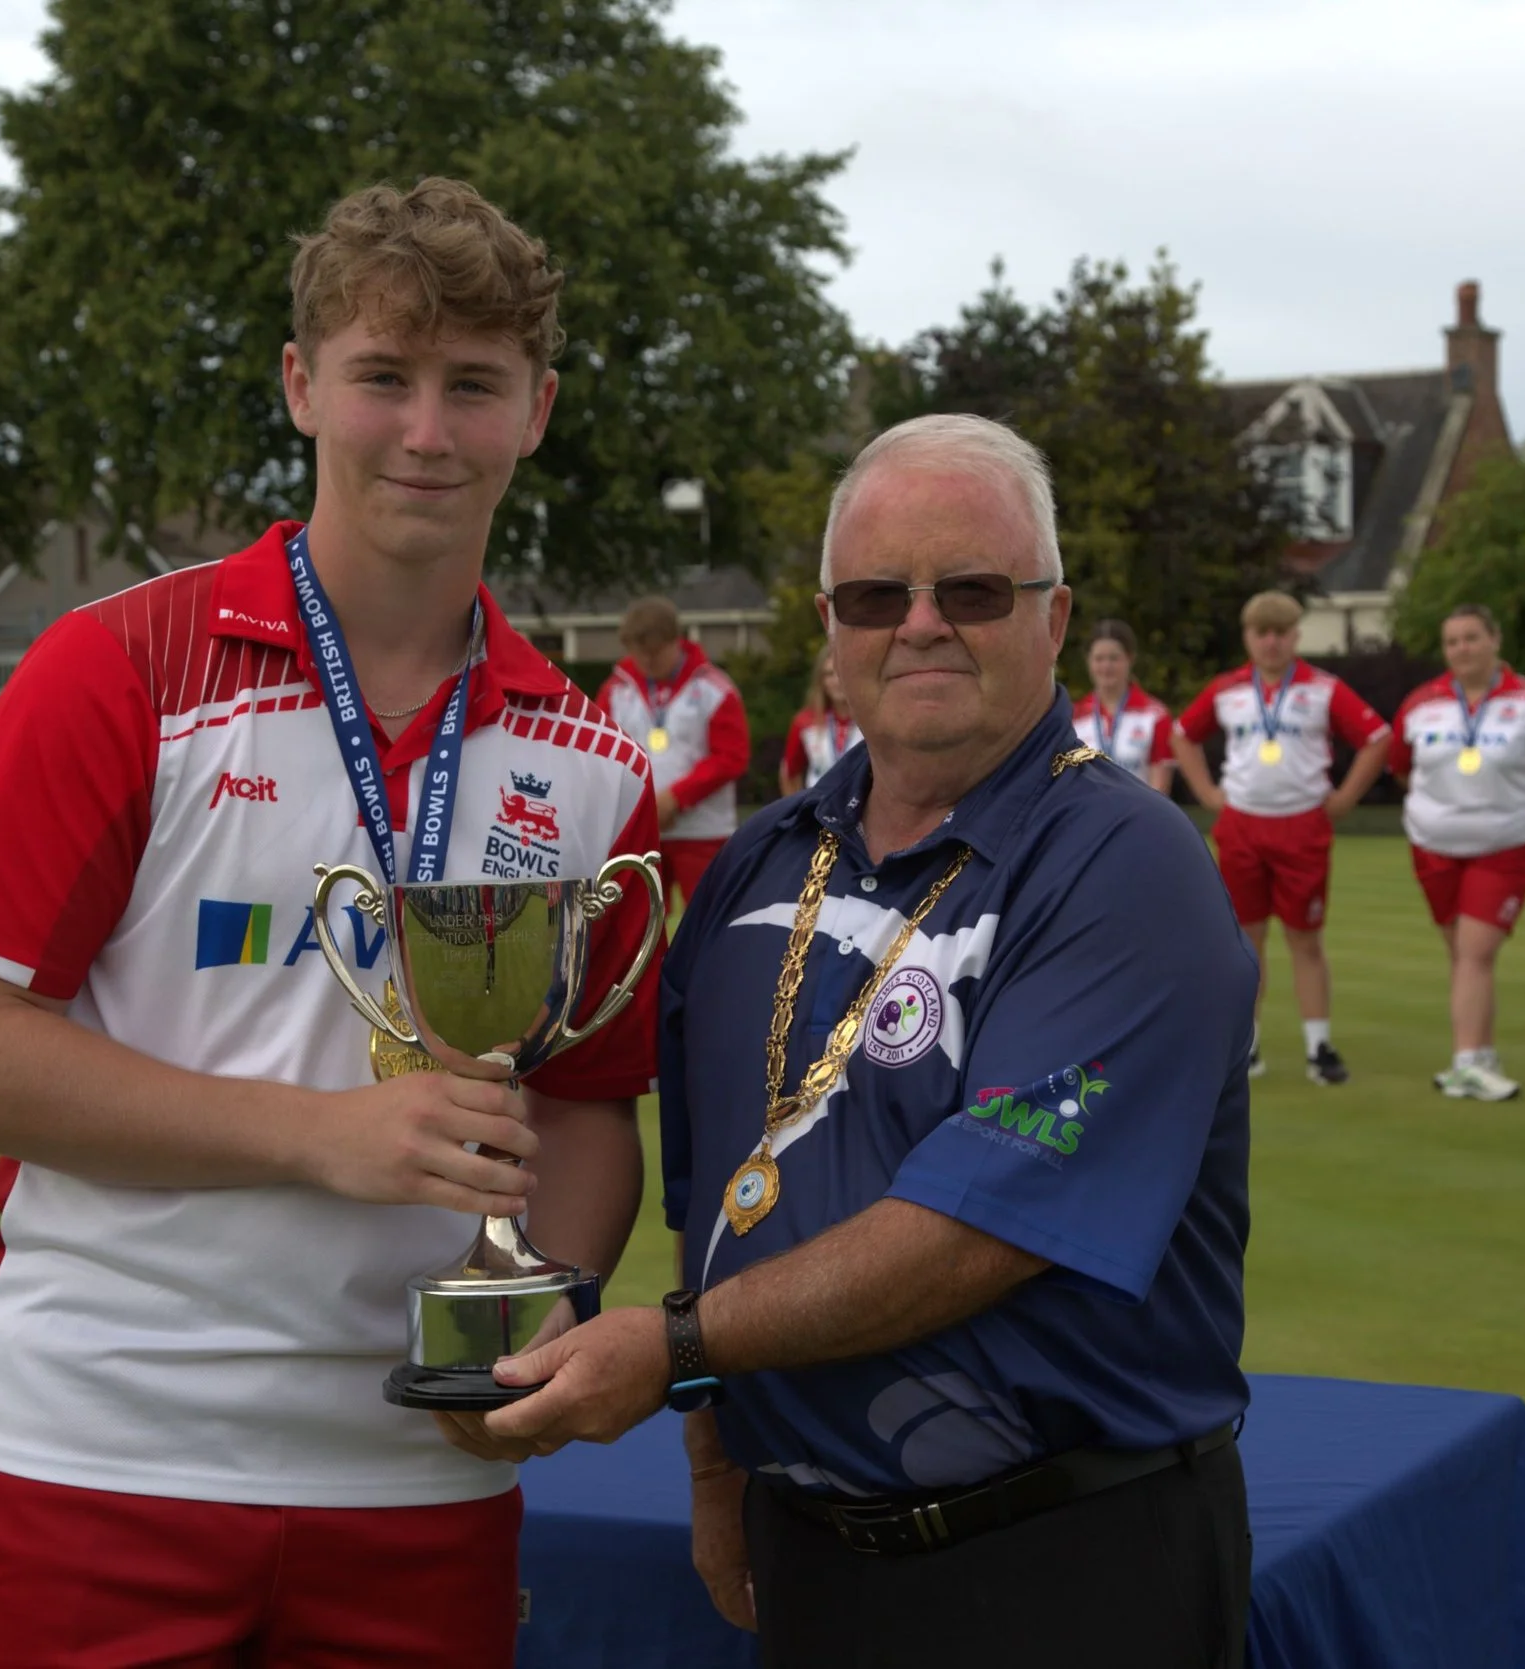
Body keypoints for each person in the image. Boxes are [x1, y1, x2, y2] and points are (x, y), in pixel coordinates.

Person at [0, 177, 661, 1667]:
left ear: (538, 410)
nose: (427, 432)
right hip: (94, 1457)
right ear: (304, 385)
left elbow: (584, 1111)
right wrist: (321, 1134)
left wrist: (529, 1339)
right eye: (385, 376)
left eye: (474, 386)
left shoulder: (592, 762)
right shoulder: (119, 667)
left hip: (416, 1485)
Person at [474, 414, 1257, 1669]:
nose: (923, 622)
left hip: (1066, 1563)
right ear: (831, 628)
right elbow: (721, 1199)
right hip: (811, 1554)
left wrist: (675, 1352)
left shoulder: (1126, 866)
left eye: (975, 589)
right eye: (879, 592)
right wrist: (718, 1462)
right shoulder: (751, 867)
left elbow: (977, 1233)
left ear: (1053, 620)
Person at [1172, 591, 1389, 1085]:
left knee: (1305, 939)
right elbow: (1182, 732)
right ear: (1248, 637)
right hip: (1243, 825)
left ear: (1295, 635)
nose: (1271, 642)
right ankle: (1247, 1047)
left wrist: (1346, 796)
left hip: (1302, 826)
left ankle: (1319, 1047)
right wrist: (1206, 790)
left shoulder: (1323, 688)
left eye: (1281, 632)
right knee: (1246, 942)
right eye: (1261, 632)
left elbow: (1378, 738)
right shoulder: (1228, 689)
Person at [1385, 606, 1525, 1101]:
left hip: (1506, 844)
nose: (1462, 650)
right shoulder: (1420, 703)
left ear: (1495, 640)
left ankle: (1466, 1062)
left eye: (1472, 638)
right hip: (1433, 845)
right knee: (1465, 956)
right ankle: (1481, 1051)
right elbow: (1403, 769)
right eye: (1452, 642)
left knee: (1476, 951)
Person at [603, 596, 751, 907]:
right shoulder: (616, 690)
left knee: (710, 920)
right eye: (637, 653)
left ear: (676, 642)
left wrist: (676, 798)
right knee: (640, 923)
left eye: (655, 654)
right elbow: (602, 753)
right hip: (640, 829)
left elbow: (731, 757)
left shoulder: (715, 688)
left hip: (703, 830)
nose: (646, 662)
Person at [1069, 618, 1175, 794]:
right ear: (1088, 661)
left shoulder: (1156, 716)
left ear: (1130, 659)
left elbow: (1160, 790)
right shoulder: (1074, 717)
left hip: (1139, 817)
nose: (1106, 666)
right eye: (1099, 659)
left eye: (1114, 658)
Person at [778, 644, 859, 796]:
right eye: (829, 674)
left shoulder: (873, 722)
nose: (837, 681)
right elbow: (789, 772)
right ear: (821, 680)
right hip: (818, 811)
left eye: (842, 673)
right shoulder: (805, 722)